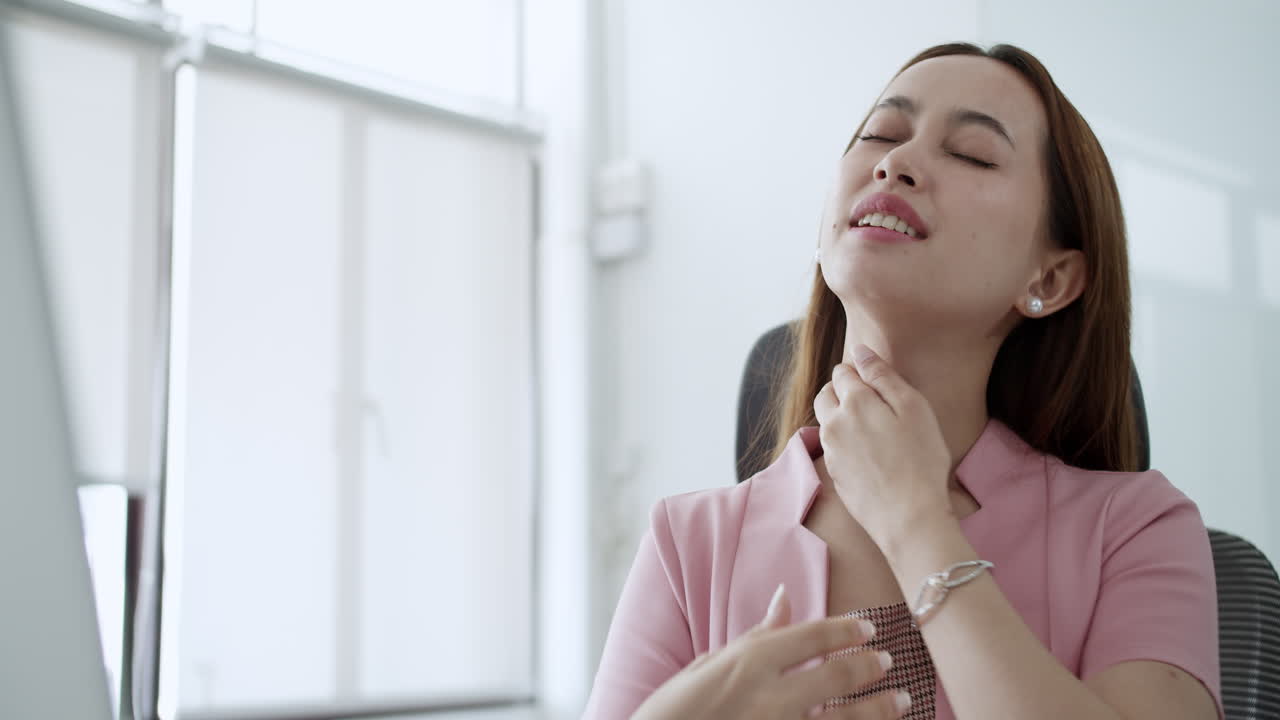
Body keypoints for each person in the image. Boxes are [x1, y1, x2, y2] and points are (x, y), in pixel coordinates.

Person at [581, 42, 1223, 720]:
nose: (897, 162)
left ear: (1051, 278)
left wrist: (917, 523)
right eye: (882, 134)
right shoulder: (688, 543)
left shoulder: (1138, 528)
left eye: (971, 153)